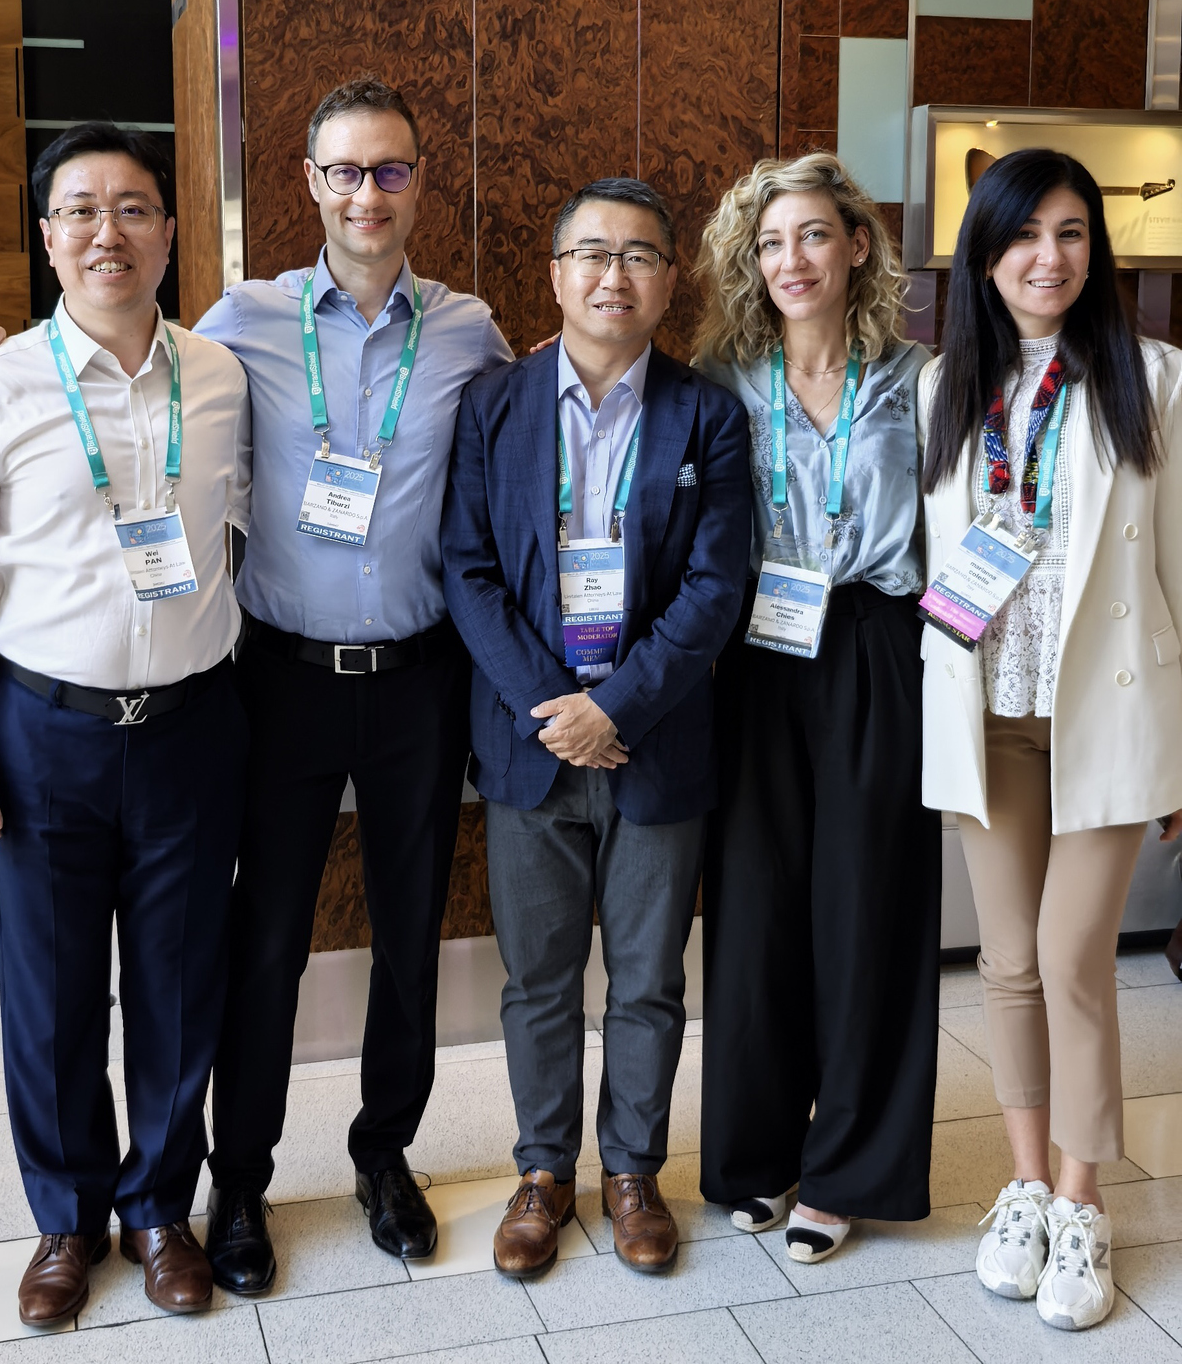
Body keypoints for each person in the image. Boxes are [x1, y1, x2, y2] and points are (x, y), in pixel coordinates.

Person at [191, 78, 512, 1292]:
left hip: (420, 681)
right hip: (282, 680)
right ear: (310, 183)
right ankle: (240, 1178)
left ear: (420, 181)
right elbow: (147, 399)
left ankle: (385, 1154)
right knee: (267, 938)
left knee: (409, 933)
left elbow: (527, 438)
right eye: (343, 170)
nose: (366, 193)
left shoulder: (469, 329)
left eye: (389, 169)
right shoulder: (244, 320)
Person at [441, 178, 750, 1278]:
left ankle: (631, 1171)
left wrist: (614, 706)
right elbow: (468, 571)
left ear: (669, 280)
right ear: (556, 274)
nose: (614, 275)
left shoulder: (707, 414)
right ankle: (541, 1170)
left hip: (653, 738)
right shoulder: (494, 405)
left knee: (650, 977)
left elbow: (716, 586)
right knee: (537, 977)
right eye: (592, 253)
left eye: (639, 255)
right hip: (530, 743)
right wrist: (557, 710)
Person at [0, 123, 250, 1322]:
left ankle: (157, 1209)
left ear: (170, 231)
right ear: (47, 238)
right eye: (80, 211)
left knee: (179, 984)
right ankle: (64, 1218)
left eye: (133, 208)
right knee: (48, 995)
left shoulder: (221, 376)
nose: (108, 233)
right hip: (45, 731)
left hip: (192, 723)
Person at [920, 147, 1182, 1331]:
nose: (1048, 257)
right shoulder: (945, 386)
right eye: (1024, 235)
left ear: (1097, 249)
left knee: (1075, 956)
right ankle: (1024, 1187)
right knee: (1010, 960)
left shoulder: (1155, 379)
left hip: (1108, 715)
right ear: (983, 253)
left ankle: (1084, 1200)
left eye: (1072, 233)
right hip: (987, 712)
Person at [691, 153, 942, 1261]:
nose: (790, 259)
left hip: (878, 643)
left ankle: (845, 1168)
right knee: (755, 911)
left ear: (856, 247)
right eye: (770, 242)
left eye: (812, 235)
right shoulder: (722, 379)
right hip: (757, 648)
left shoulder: (922, 379)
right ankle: (753, 1152)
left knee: (867, 907)